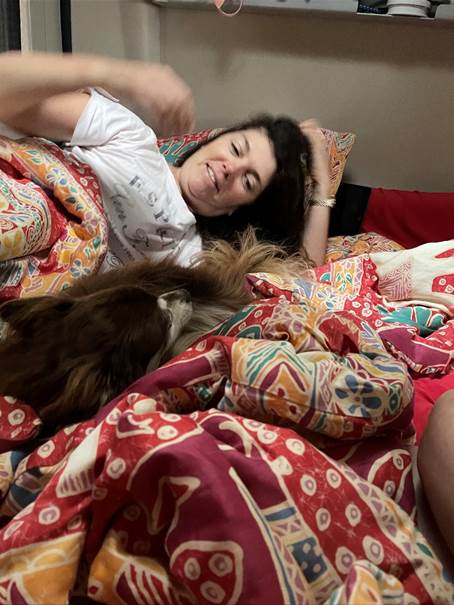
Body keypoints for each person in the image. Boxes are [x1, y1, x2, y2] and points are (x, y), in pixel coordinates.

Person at [0, 51, 332, 271]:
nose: (230, 168)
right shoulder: (130, 135)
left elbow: (304, 280)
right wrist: (117, 74)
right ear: (216, 139)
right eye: (235, 148)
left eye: (248, 181)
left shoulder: (192, 257)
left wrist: (323, 186)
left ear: (239, 210)